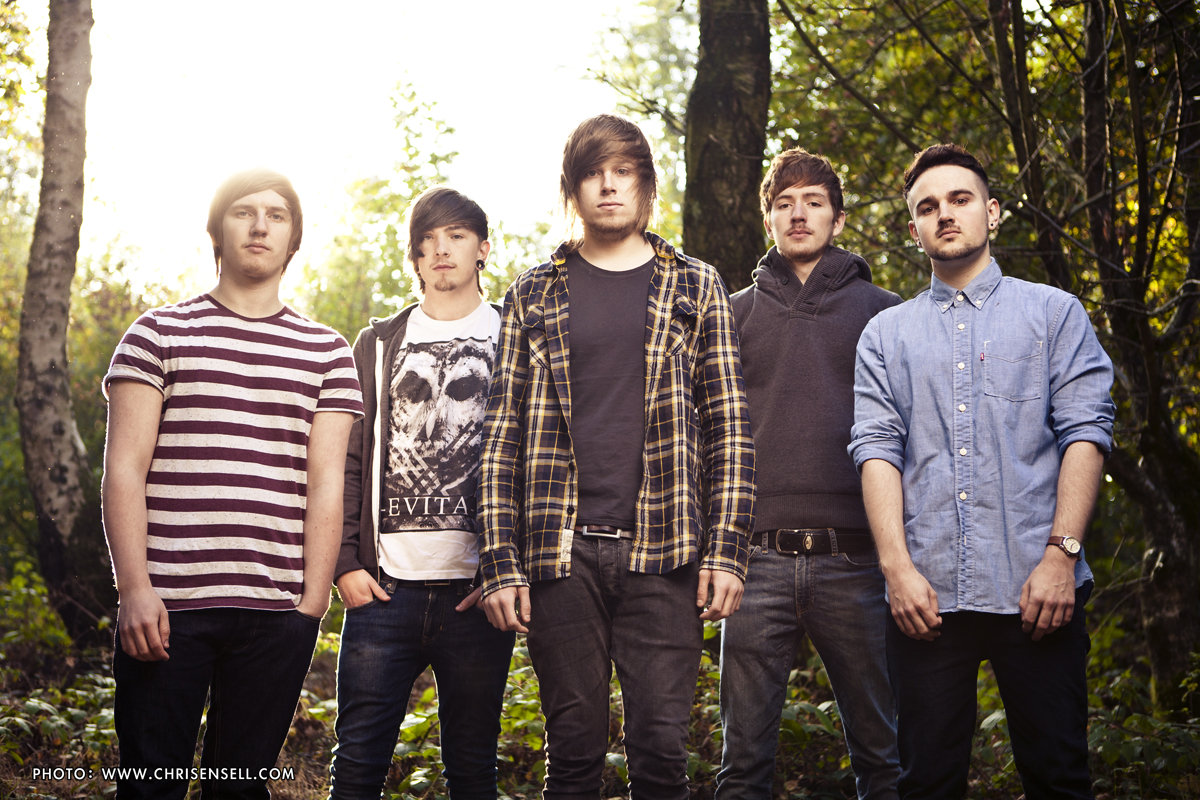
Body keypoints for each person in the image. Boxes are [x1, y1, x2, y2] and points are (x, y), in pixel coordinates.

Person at [477, 113, 756, 799]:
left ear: (645, 185)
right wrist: (500, 562)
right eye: (593, 173)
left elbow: (729, 426)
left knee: (660, 753)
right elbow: (501, 435)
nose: (608, 185)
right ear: (572, 188)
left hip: (666, 550)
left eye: (623, 171)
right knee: (573, 755)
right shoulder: (532, 294)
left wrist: (726, 552)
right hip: (559, 553)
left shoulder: (696, 286)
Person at [849, 143, 1114, 800]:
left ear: (992, 212)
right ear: (914, 229)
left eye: (960, 199)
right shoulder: (885, 335)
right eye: (927, 207)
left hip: (1038, 590)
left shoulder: (1054, 314)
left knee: (1058, 776)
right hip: (927, 599)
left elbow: (1086, 434)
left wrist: (1061, 556)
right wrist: (897, 571)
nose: (944, 214)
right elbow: (876, 450)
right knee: (926, 784)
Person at [101, 168, 363, 800]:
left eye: (277, 215)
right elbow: (123, 470)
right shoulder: (157, 333)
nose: (260, 226)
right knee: (149, 785)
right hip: (166, 609)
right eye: (244, 212)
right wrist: (134, 589)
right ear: (217, 231)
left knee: (240, 790)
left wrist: (311, 605)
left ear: (294, 239)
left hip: (275, 613)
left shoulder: (327, 352)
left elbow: (327, 484)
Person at [717, 148, 901, 799]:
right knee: (742, 764)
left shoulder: (885, 313)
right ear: (768, 218)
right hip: (755, 562)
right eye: (784, 202)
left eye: (813, 202)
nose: (798, 214)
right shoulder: (732, 315)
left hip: (857, 562)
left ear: (837, 218)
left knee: (884, 756)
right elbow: (710, 436)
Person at [328, 186, 515, 799]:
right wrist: (345, 563)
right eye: (427, 240)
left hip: (477, 594)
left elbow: (544, 458)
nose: (441, 249)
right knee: (356, 767)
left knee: (473, 769)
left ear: (482, 248)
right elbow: (349, 458)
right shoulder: (378, 344)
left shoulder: (516, 336)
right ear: (413, 256)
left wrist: (509, 572)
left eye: (456, 236)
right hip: (385, 591)